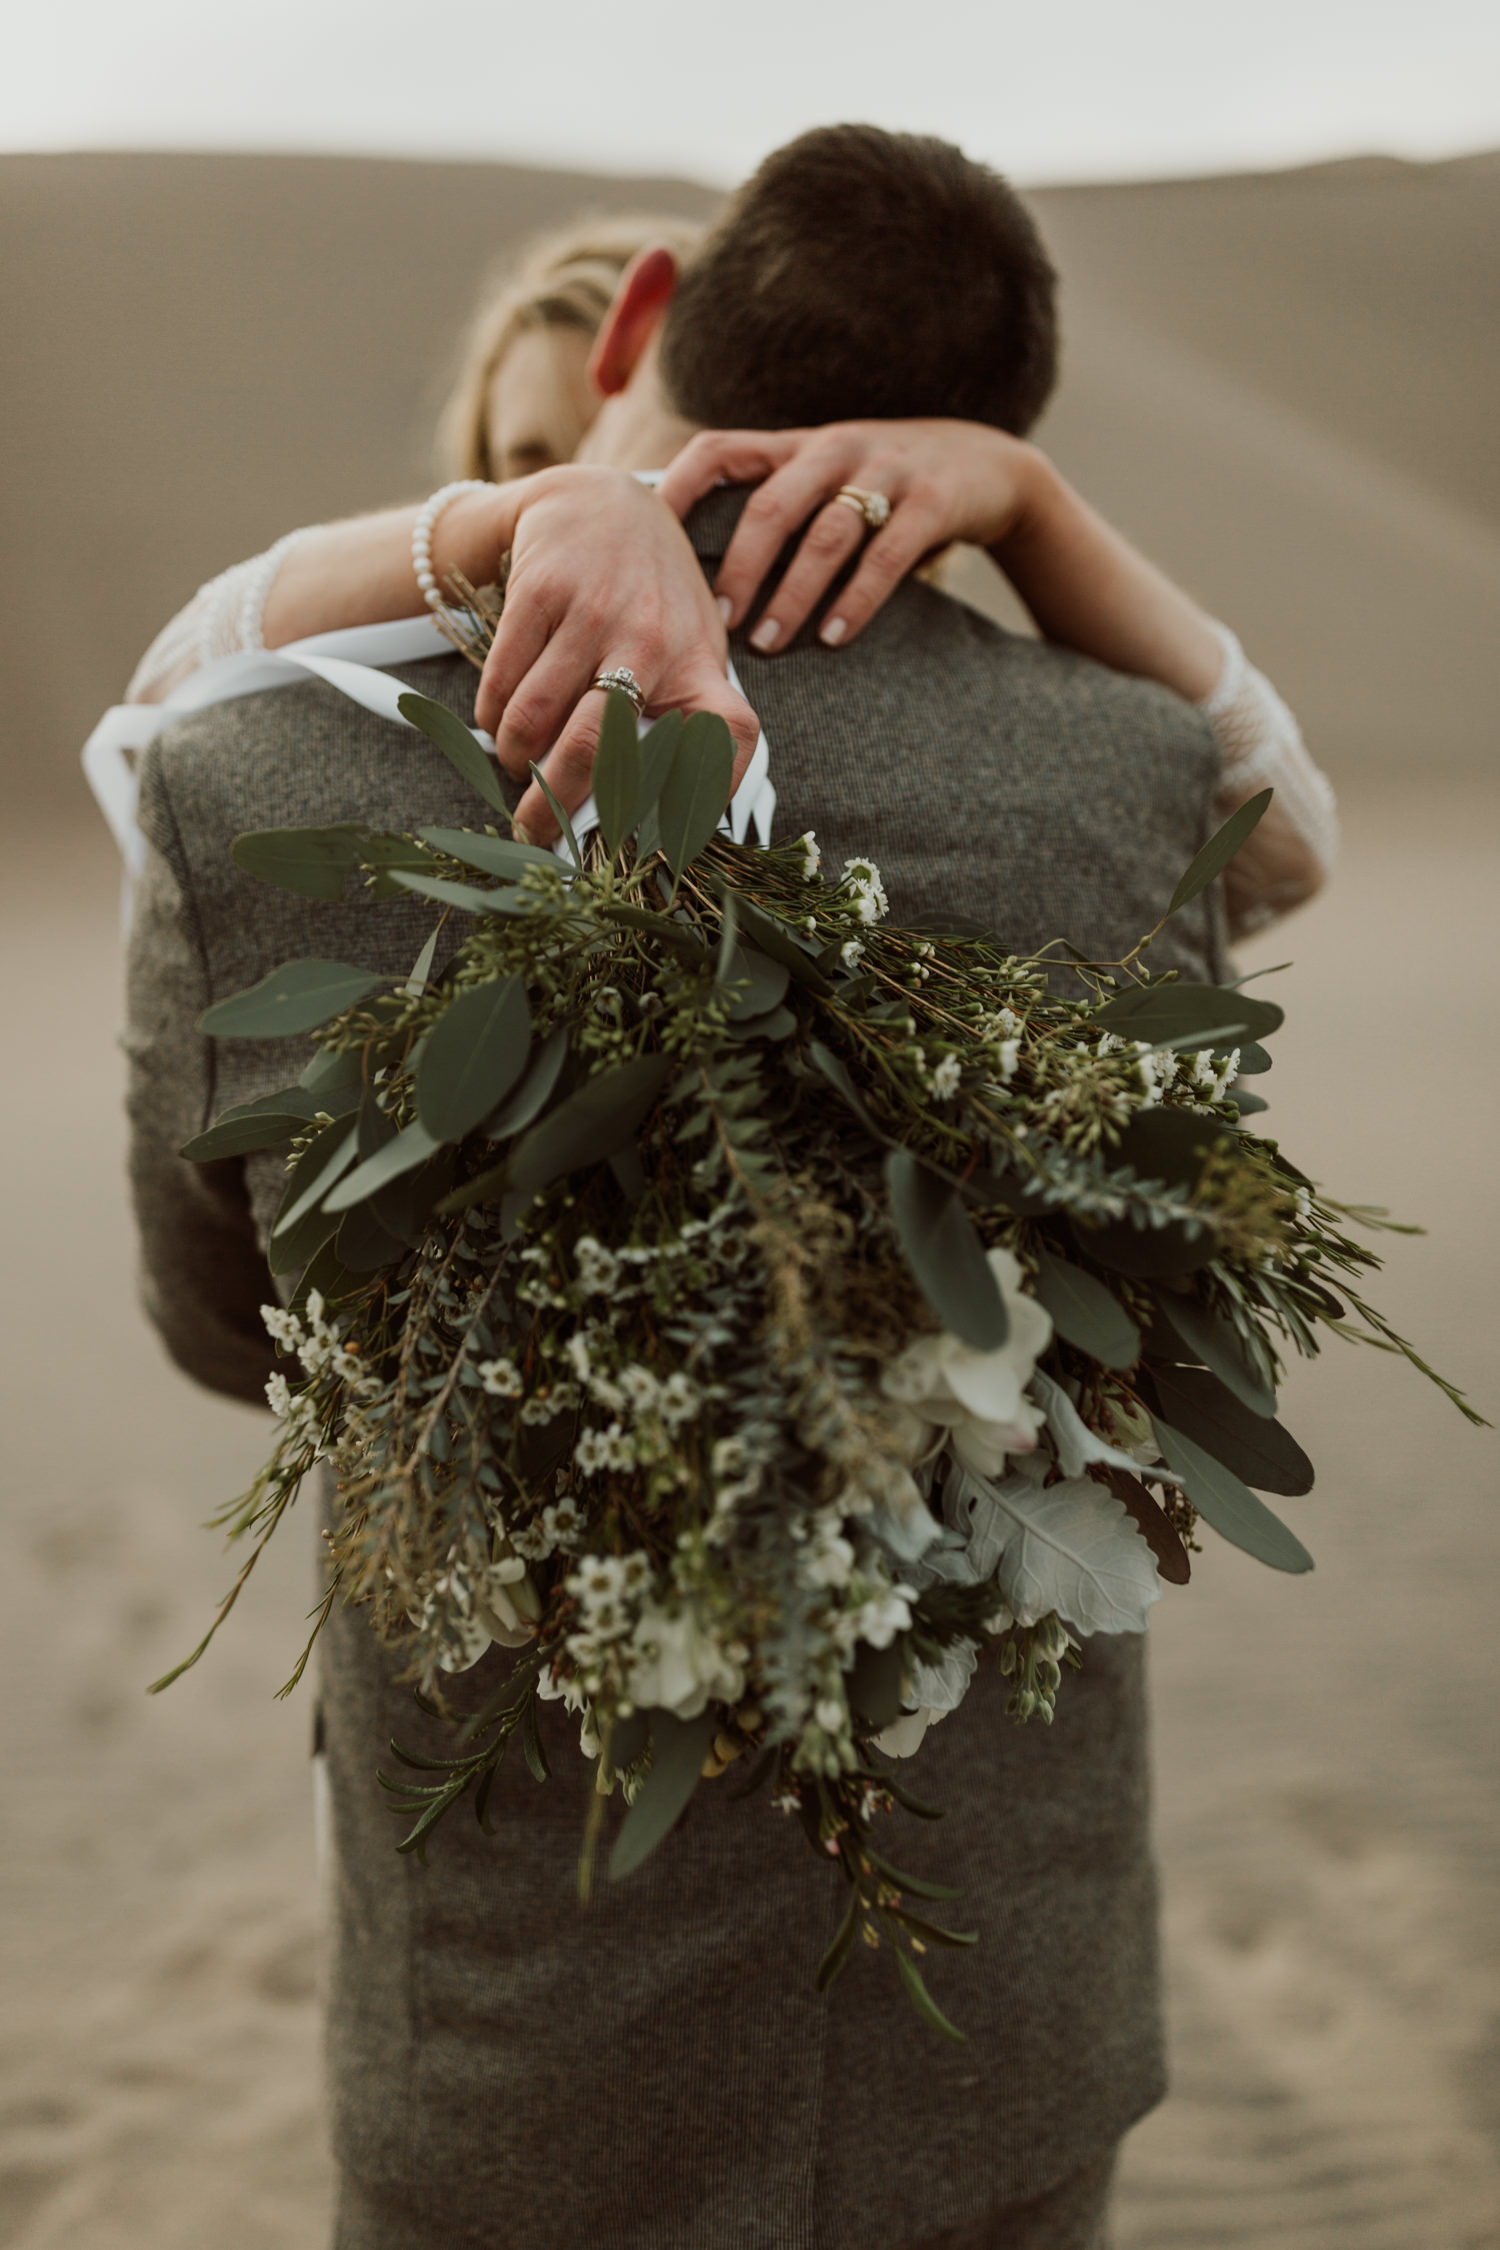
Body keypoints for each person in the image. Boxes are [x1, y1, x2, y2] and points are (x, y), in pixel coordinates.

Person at [123, 125, 1317, 2250]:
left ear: (646, 316)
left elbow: (230, 1331)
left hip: (522, 2029)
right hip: (994, 2014)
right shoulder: (1140, 784)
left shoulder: (250, 782)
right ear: (979, 438)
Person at [122, 221, 1335, 943]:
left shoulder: (979, 731)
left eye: (607, 441)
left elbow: (1285, 849)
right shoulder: (382, 708)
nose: (615, 488)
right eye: (517, 462)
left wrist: (1031, 497)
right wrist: (534, 518)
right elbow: (165, 711)